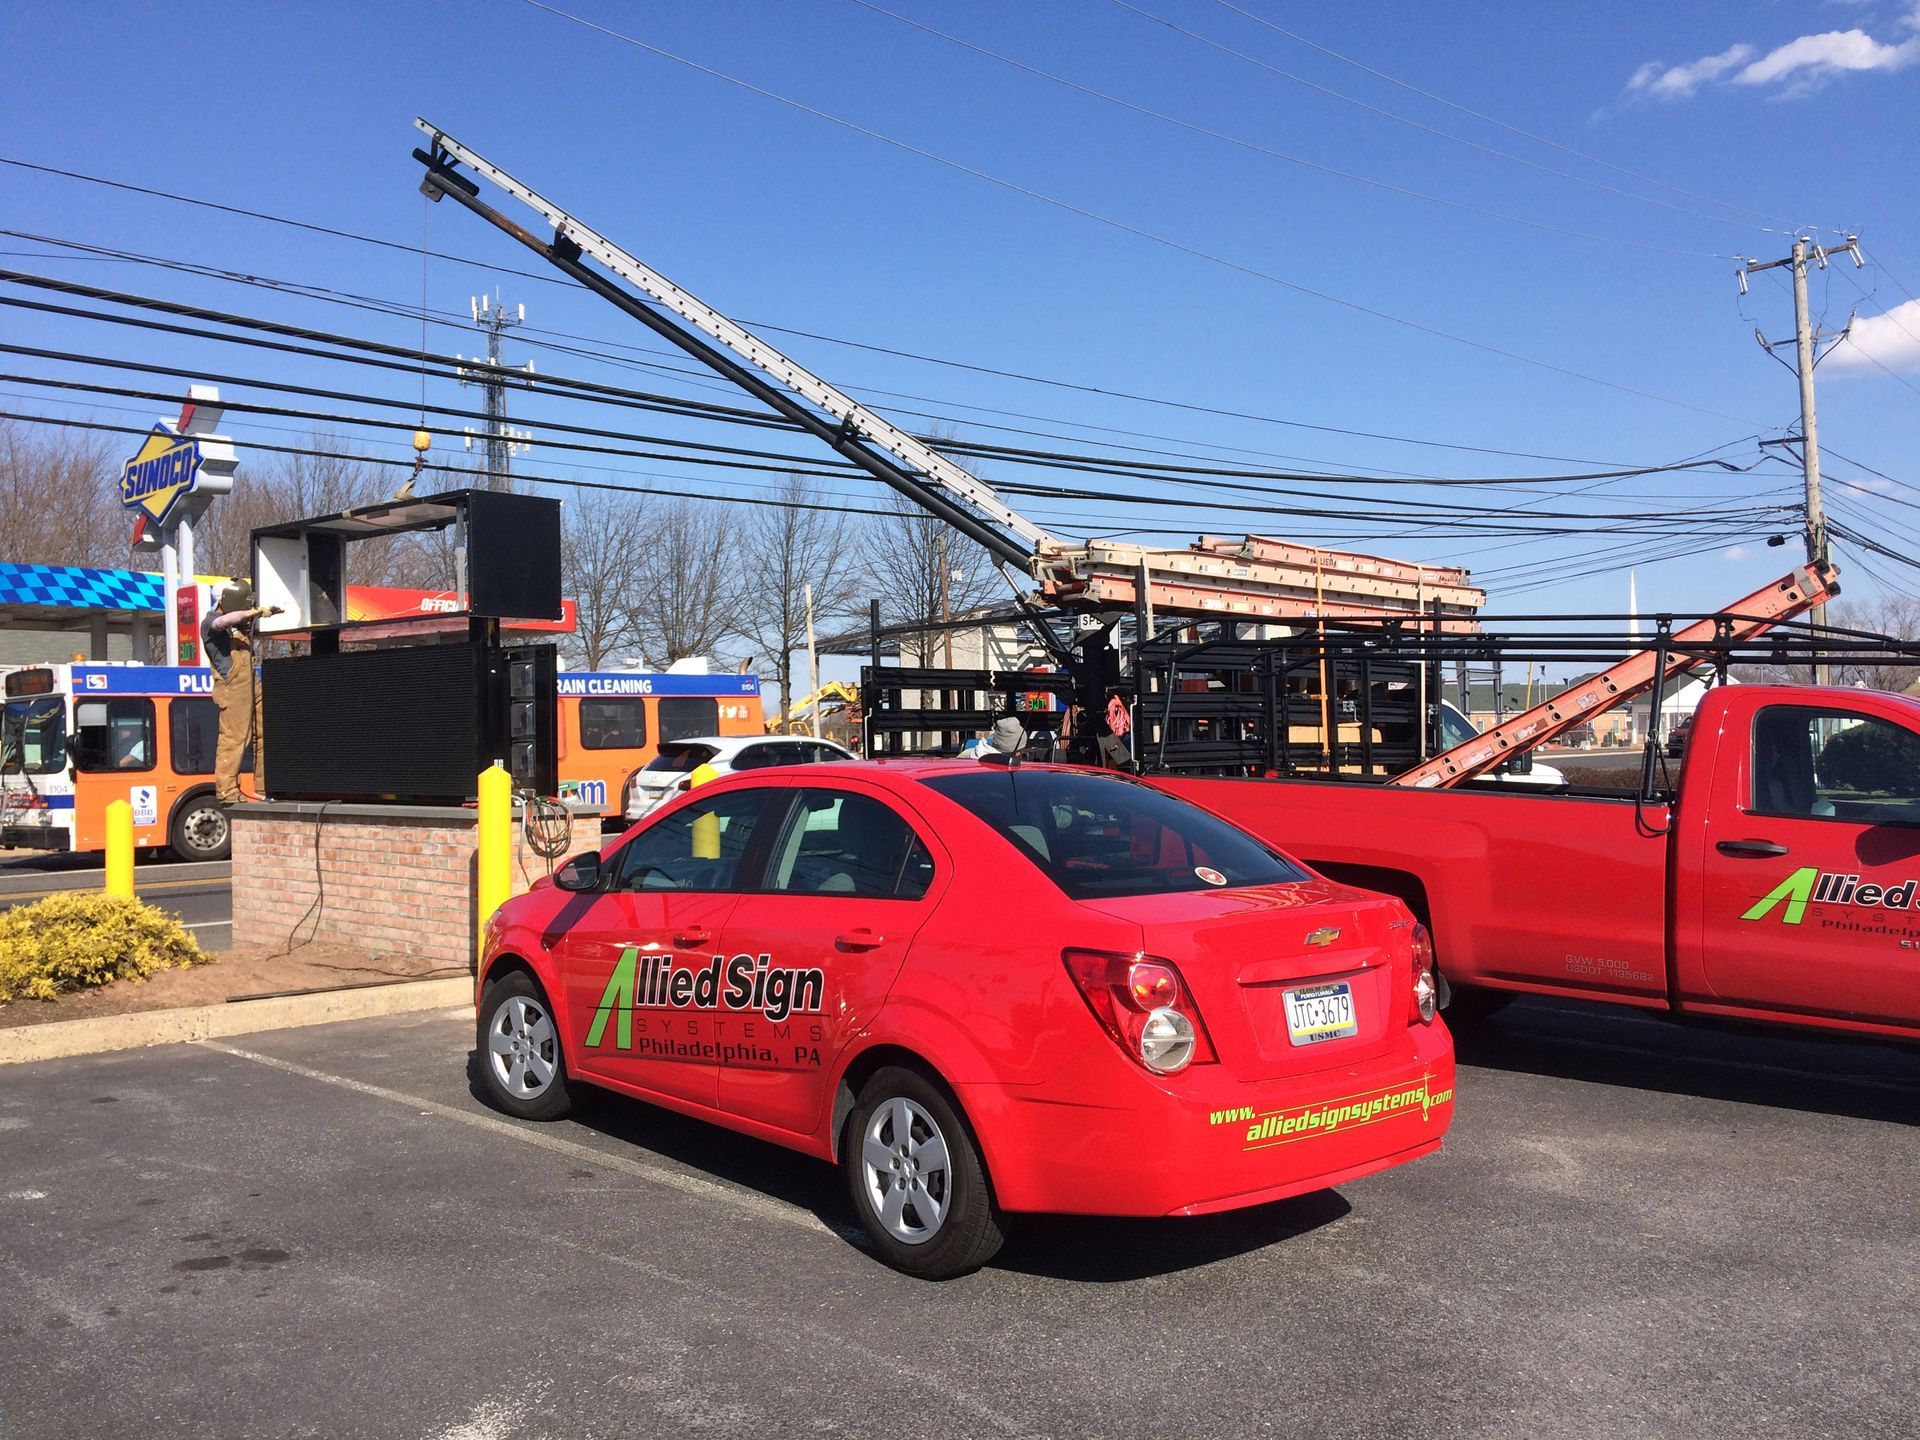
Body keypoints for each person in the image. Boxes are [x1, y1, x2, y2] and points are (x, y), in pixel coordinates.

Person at [202, 581, 280, 804]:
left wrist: (265, 615)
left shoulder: (240, 626)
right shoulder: (210, 623)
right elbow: (224, 622)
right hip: (233, 685)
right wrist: (254, 612)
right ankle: (227, 791)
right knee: (235, 738)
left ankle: (265, 785)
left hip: (251, 681)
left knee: (265, 731)